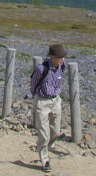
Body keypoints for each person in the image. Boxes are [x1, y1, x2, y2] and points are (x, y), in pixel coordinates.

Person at [29, 43, 69, 173]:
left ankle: (45, 147)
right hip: (42, 101)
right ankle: (45, 159)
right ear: (52, 57)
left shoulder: (62, 66)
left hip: (56, 100)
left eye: (63, 56)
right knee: (44, 134)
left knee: (56, 132)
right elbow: (33, 83)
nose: (62, 59)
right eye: (59, 57)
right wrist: (36, 96)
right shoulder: (42, 69)